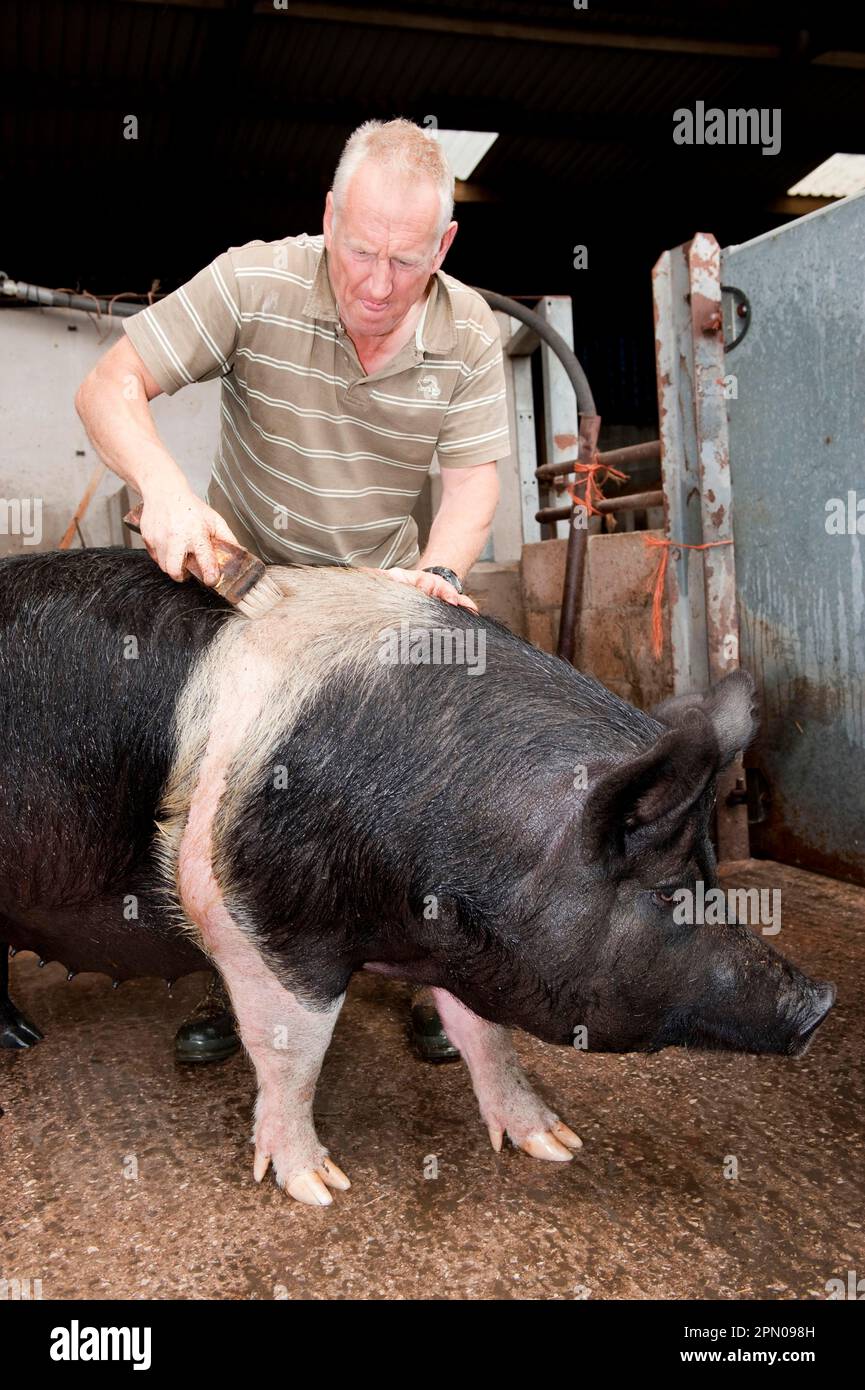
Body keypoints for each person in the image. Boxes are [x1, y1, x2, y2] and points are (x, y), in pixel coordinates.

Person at [75, 117, 511, 1065]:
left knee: (420, 791)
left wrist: (438, 572)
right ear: (326, 218)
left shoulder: (469, 327)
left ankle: (443, 982)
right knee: (218, 796)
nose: (375, 283)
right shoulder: (254, 280)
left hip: (380, 598)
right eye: (358, 249)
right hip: (245, 596)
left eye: (405, 260)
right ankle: (238, 988)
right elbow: (110, 386)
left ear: (442, 246)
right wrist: (167, 492)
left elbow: (475, 476)